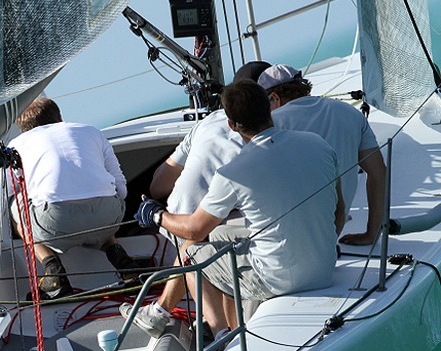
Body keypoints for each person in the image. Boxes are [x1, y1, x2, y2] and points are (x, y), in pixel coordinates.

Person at [133, 80, 345, 333]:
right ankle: (235, 324)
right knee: (221, 235)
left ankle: (219, 332)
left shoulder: (232, 173)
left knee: (190, 253)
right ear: (270, 108)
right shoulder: (318, 143)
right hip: (325, 267)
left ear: (231, 125)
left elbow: (194, 230)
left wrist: (156, 215)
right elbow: (338, 209)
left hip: (280, 281)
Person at [122, 61, 266, 336]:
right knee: (204, 239)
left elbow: (159, 184)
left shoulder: (206, 123)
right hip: (206, 222)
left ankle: (186, 319)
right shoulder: (263, 133)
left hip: (179, 214)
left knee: (196, 245)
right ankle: (216, 326)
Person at [0, 96, 136, 299]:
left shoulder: (16, 145)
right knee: (100, 195)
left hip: (56, 223)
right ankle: (122, 261)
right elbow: (120, 187)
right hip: (108, 218)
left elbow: (4, 191)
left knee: (14, 205)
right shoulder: (91, 131)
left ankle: (52, 269)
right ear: (60, 117)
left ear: (22, 128)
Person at [258, 64, 386, 246]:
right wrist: (372, 233)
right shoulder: (349, 112)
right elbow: (378, 172)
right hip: (334, 228)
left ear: (274, 97)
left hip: (293, 240)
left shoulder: (273, 124)